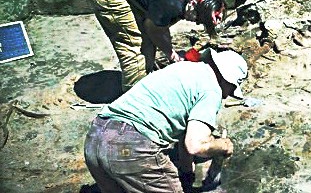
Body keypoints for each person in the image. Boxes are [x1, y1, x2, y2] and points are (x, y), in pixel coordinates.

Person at [84, 48, 247, 193]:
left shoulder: (182, 69)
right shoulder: (212, 89)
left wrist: (186, 174)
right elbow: (196, 145)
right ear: (227, 80)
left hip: (95, 139)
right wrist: (223, 145)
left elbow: (185, 139)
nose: (227, 95)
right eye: (231, 89)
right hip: (128, 149)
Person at [84, 0, 227, 92]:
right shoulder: (171, 5)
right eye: (197, 18)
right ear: (195, 2)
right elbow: (154, 29)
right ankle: (134, 97)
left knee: (149, 37)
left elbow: (158, 25)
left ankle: (146, 77)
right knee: (135, 44)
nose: (195, 23)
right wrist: (173, 56)